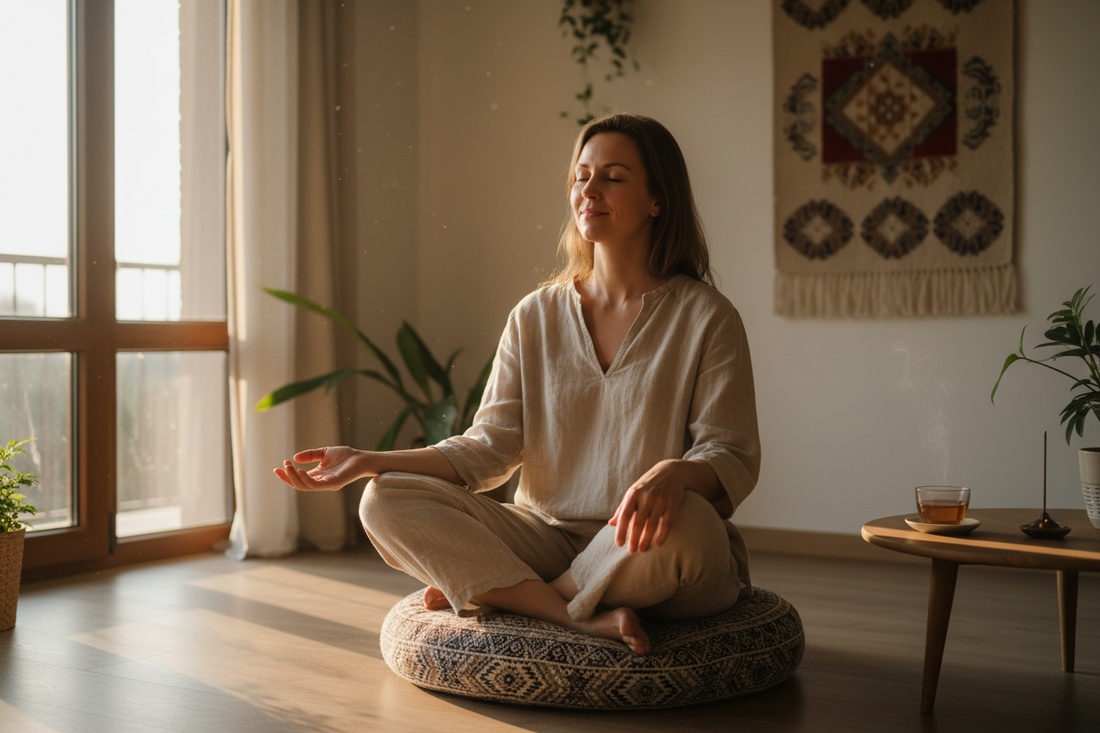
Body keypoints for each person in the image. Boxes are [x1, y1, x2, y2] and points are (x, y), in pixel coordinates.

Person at [275, 114, 760, 656]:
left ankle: (513, 593)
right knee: (383, 499)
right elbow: (489, 450)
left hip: (650, 548)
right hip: (546, 540)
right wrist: (369, 459)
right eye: (580, 176)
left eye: (614, 177)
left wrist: (677, 472)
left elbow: (732, 452)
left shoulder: (708, 317)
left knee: (690, 520)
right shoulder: (535, 316)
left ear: (657, 199)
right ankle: (563, 610)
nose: (589, 191)